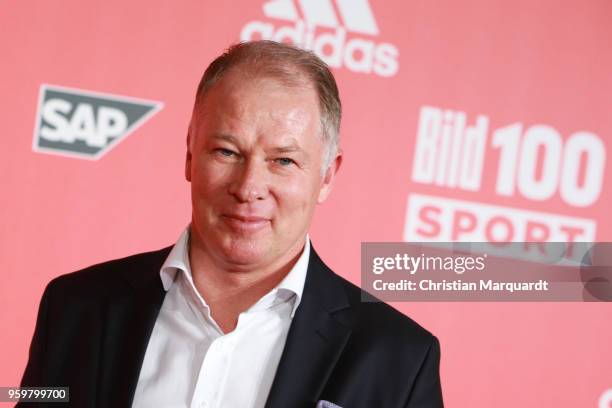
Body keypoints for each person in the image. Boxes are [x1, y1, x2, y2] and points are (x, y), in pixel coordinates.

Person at [19, 40, 443, 408]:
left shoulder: (398, 357)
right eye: (226, 152)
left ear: (327, 175)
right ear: (189, 154)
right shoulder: (76, 307)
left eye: (283, 161)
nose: (249, 186)